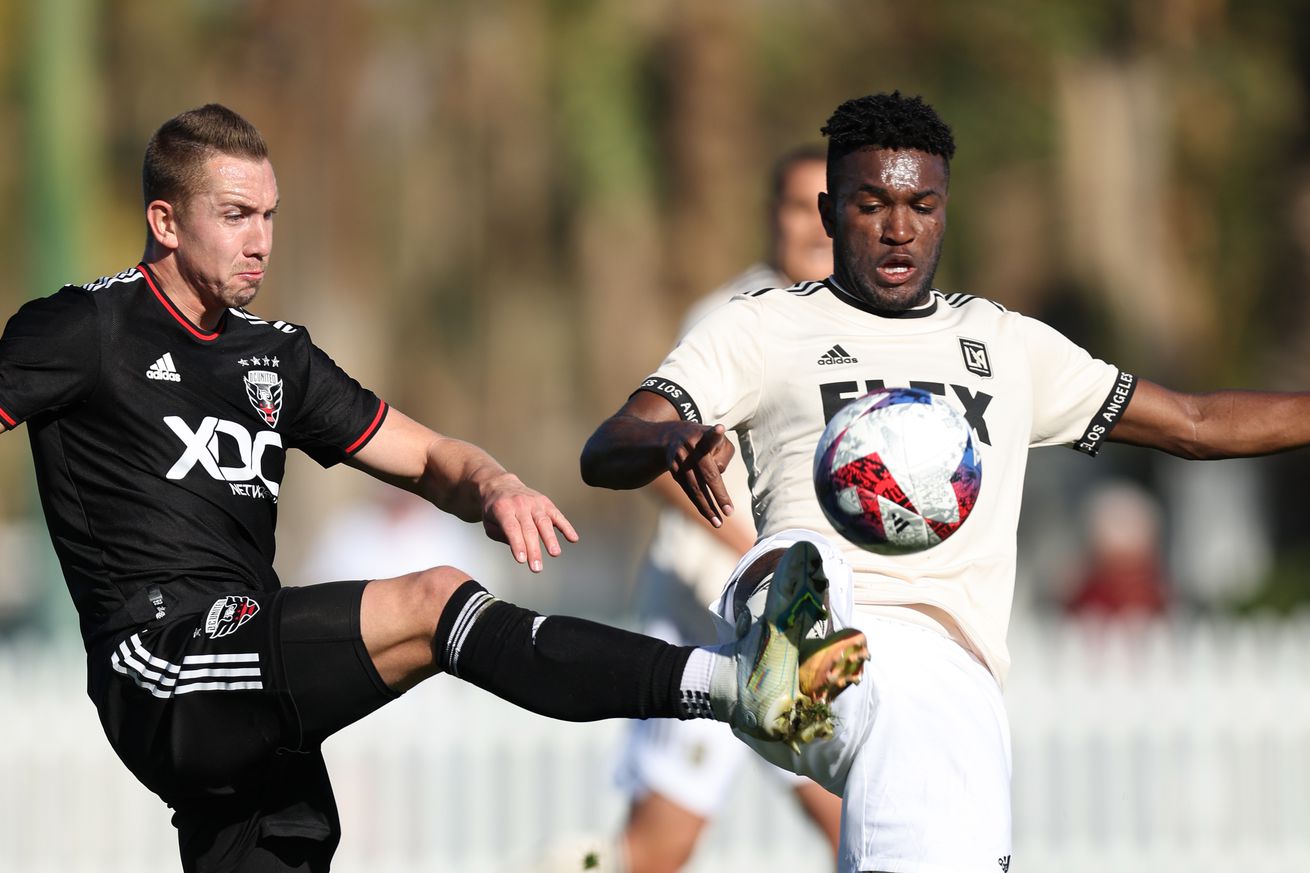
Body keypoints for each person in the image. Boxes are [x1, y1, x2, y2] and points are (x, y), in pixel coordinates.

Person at [0, 104, 867, 873]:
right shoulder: (83, 327)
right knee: (436, 601)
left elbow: (424, 457)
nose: (260, 239)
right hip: (163, 664)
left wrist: (495, 487)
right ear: (164, 219)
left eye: (269, 216)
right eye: (234, 216)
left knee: (299, 834)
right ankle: (732, 686)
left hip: (258, 680)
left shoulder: (275, 354)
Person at [580, 90, 1310, 873]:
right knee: (801, 573)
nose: (900, 229)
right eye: (872, 204)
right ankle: (788, 617)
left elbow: (1194, 422)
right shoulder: (761, 326)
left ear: (945, 211)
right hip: (818, 651)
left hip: (946, 680)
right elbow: (608, 444)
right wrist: (669, 436)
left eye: (922, 206)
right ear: (829, 215)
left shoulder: (1003, 343)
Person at [616, 146, 843, 872]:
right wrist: (761, 552)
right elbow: (654, 457)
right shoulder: (728, 318)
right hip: (707, 628)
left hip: (795, 633)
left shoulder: (864, 323)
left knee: (860, 821)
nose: (817, 226)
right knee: (656, 851)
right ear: (771, 217)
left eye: (829, 207)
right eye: (797, 206)